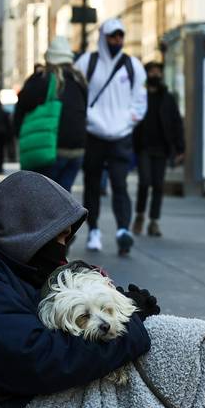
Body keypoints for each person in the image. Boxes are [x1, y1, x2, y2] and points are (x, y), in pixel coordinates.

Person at [0, 171, 157, 408]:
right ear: (27, 232)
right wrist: (129, 326)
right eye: (59, 238)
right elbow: (40, 361)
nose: (63, 249)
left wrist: (116, 303)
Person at [74, 18, 147, 256]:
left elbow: (140, 100)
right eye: (112, 36)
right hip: (93, 134)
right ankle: (93, 230)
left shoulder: (133, 66)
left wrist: (128, 121)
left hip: (120, 136)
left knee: (120, 184)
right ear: (103, 37)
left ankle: (123, 230)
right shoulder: (87, 62)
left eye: (120, 36)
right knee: (92, 184)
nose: (117, 40)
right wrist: (89, 119)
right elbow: (78, 95)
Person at [15, 36, 89, 193]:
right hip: (77, 151)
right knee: (63, 197)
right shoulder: (80, 80)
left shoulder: (44, 79)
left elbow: (22, 103)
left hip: (51, 150)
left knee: (45, 198)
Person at [131, 62, 185, 238]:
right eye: (152, 72)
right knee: (145, 183)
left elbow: (176, 122)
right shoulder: (140, 95)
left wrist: (180, 147)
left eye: (158, 72)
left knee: (158, 186)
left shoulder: (167, 97)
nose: (155, 74)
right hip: (144, 147)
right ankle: (139, 216)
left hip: (162, 148)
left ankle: (154, 222)